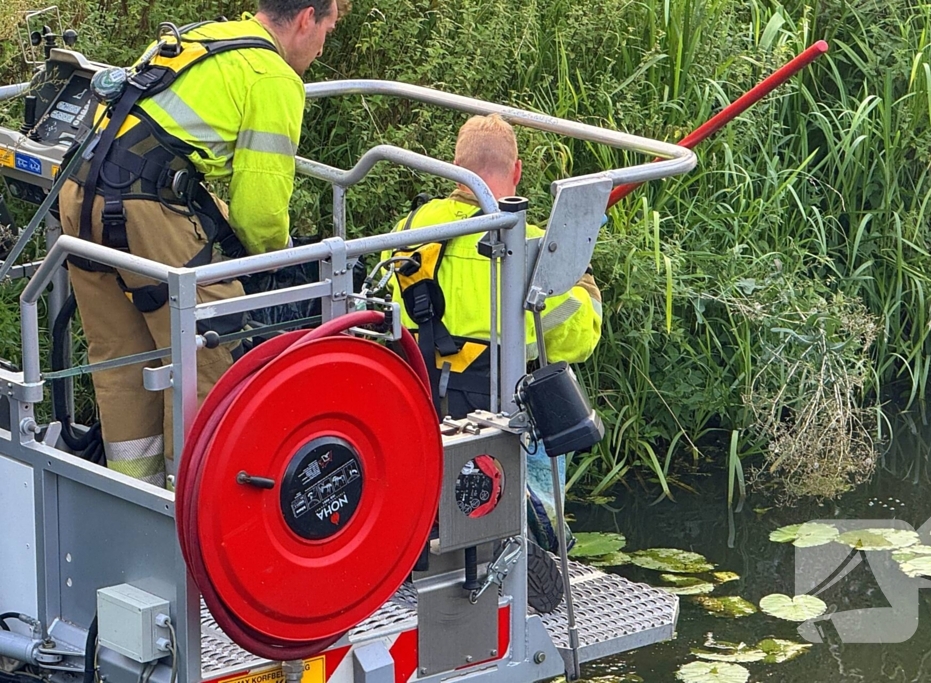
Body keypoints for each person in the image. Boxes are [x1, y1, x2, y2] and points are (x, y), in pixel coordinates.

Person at [58, 0, 348, 487]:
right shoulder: (273, 77)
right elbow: (260, 214)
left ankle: (134, 492)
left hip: (80, 196)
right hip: (145, 209)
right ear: (306, 19)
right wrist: (279, 262)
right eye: (328, 30)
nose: (323, 47)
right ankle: (195, 506)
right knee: (210, 356)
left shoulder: (200, 37)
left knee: (122, 360)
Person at [384, 114, 603, 611]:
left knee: (429, 476)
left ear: (454, 169)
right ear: (518, 171)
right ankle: (533, 534)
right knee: (551, 399)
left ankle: (421, 541)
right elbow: (580, 337)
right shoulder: (531, 244)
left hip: (425, 401)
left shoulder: (411, 229)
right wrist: (580, 277)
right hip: (496, 404)